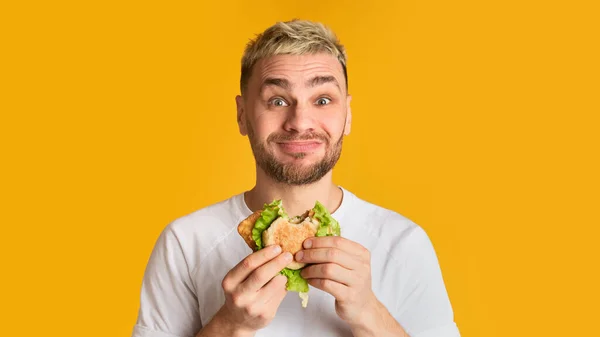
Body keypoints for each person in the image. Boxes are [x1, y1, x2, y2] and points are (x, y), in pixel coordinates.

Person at [132, 19, 461, 337]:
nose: (300, 121)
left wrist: (368, 314)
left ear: (347, 116)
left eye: (322, 100)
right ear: (242, 115)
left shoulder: (404, 243)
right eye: (277, 100)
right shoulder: (185, 243)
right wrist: (231, 326)